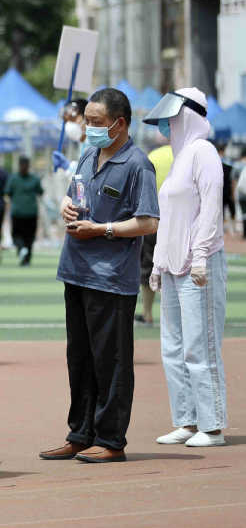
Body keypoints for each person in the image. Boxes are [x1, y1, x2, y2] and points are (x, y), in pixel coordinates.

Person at [41, 88, 159, 463]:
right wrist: (66, 206)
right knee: (79, 357)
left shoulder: (138, 164)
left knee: (111, 360)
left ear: (119, 124)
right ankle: (80, 433)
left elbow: (148, 221)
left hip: (111, 277)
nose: (88, 128)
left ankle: (110, 439)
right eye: (87, 121)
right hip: (75, 269)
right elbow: (74, 192)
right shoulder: (89, 153)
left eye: (95, 122)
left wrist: (103, 229)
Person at [144, 89, 229, 448]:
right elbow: (170, 218)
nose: (166, 124)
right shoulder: (179, 157)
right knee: (173, 347)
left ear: (188, 115)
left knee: (200, 346)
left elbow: (210, 207)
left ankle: (211, 426)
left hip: (199, 262)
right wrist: (158, 263)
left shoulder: (203, 152)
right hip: (173, 263)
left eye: (172, 117)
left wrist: (199, 257)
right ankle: (186, 420)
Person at [137, 136, 173, 327]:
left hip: (154, 219)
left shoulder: (153, 156)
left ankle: (147, 314)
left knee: (148, 266)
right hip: (179, 222)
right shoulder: (186, 155)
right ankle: (175, 316)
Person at [5, 156, 43, 266]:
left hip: (17, 212)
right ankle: (26, 259)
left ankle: (21, 248)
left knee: (16, 235)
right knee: (29, 237)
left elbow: (7, 192)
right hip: (31, 212)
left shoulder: (13, 178)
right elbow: (40, 192)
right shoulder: (35, 179)